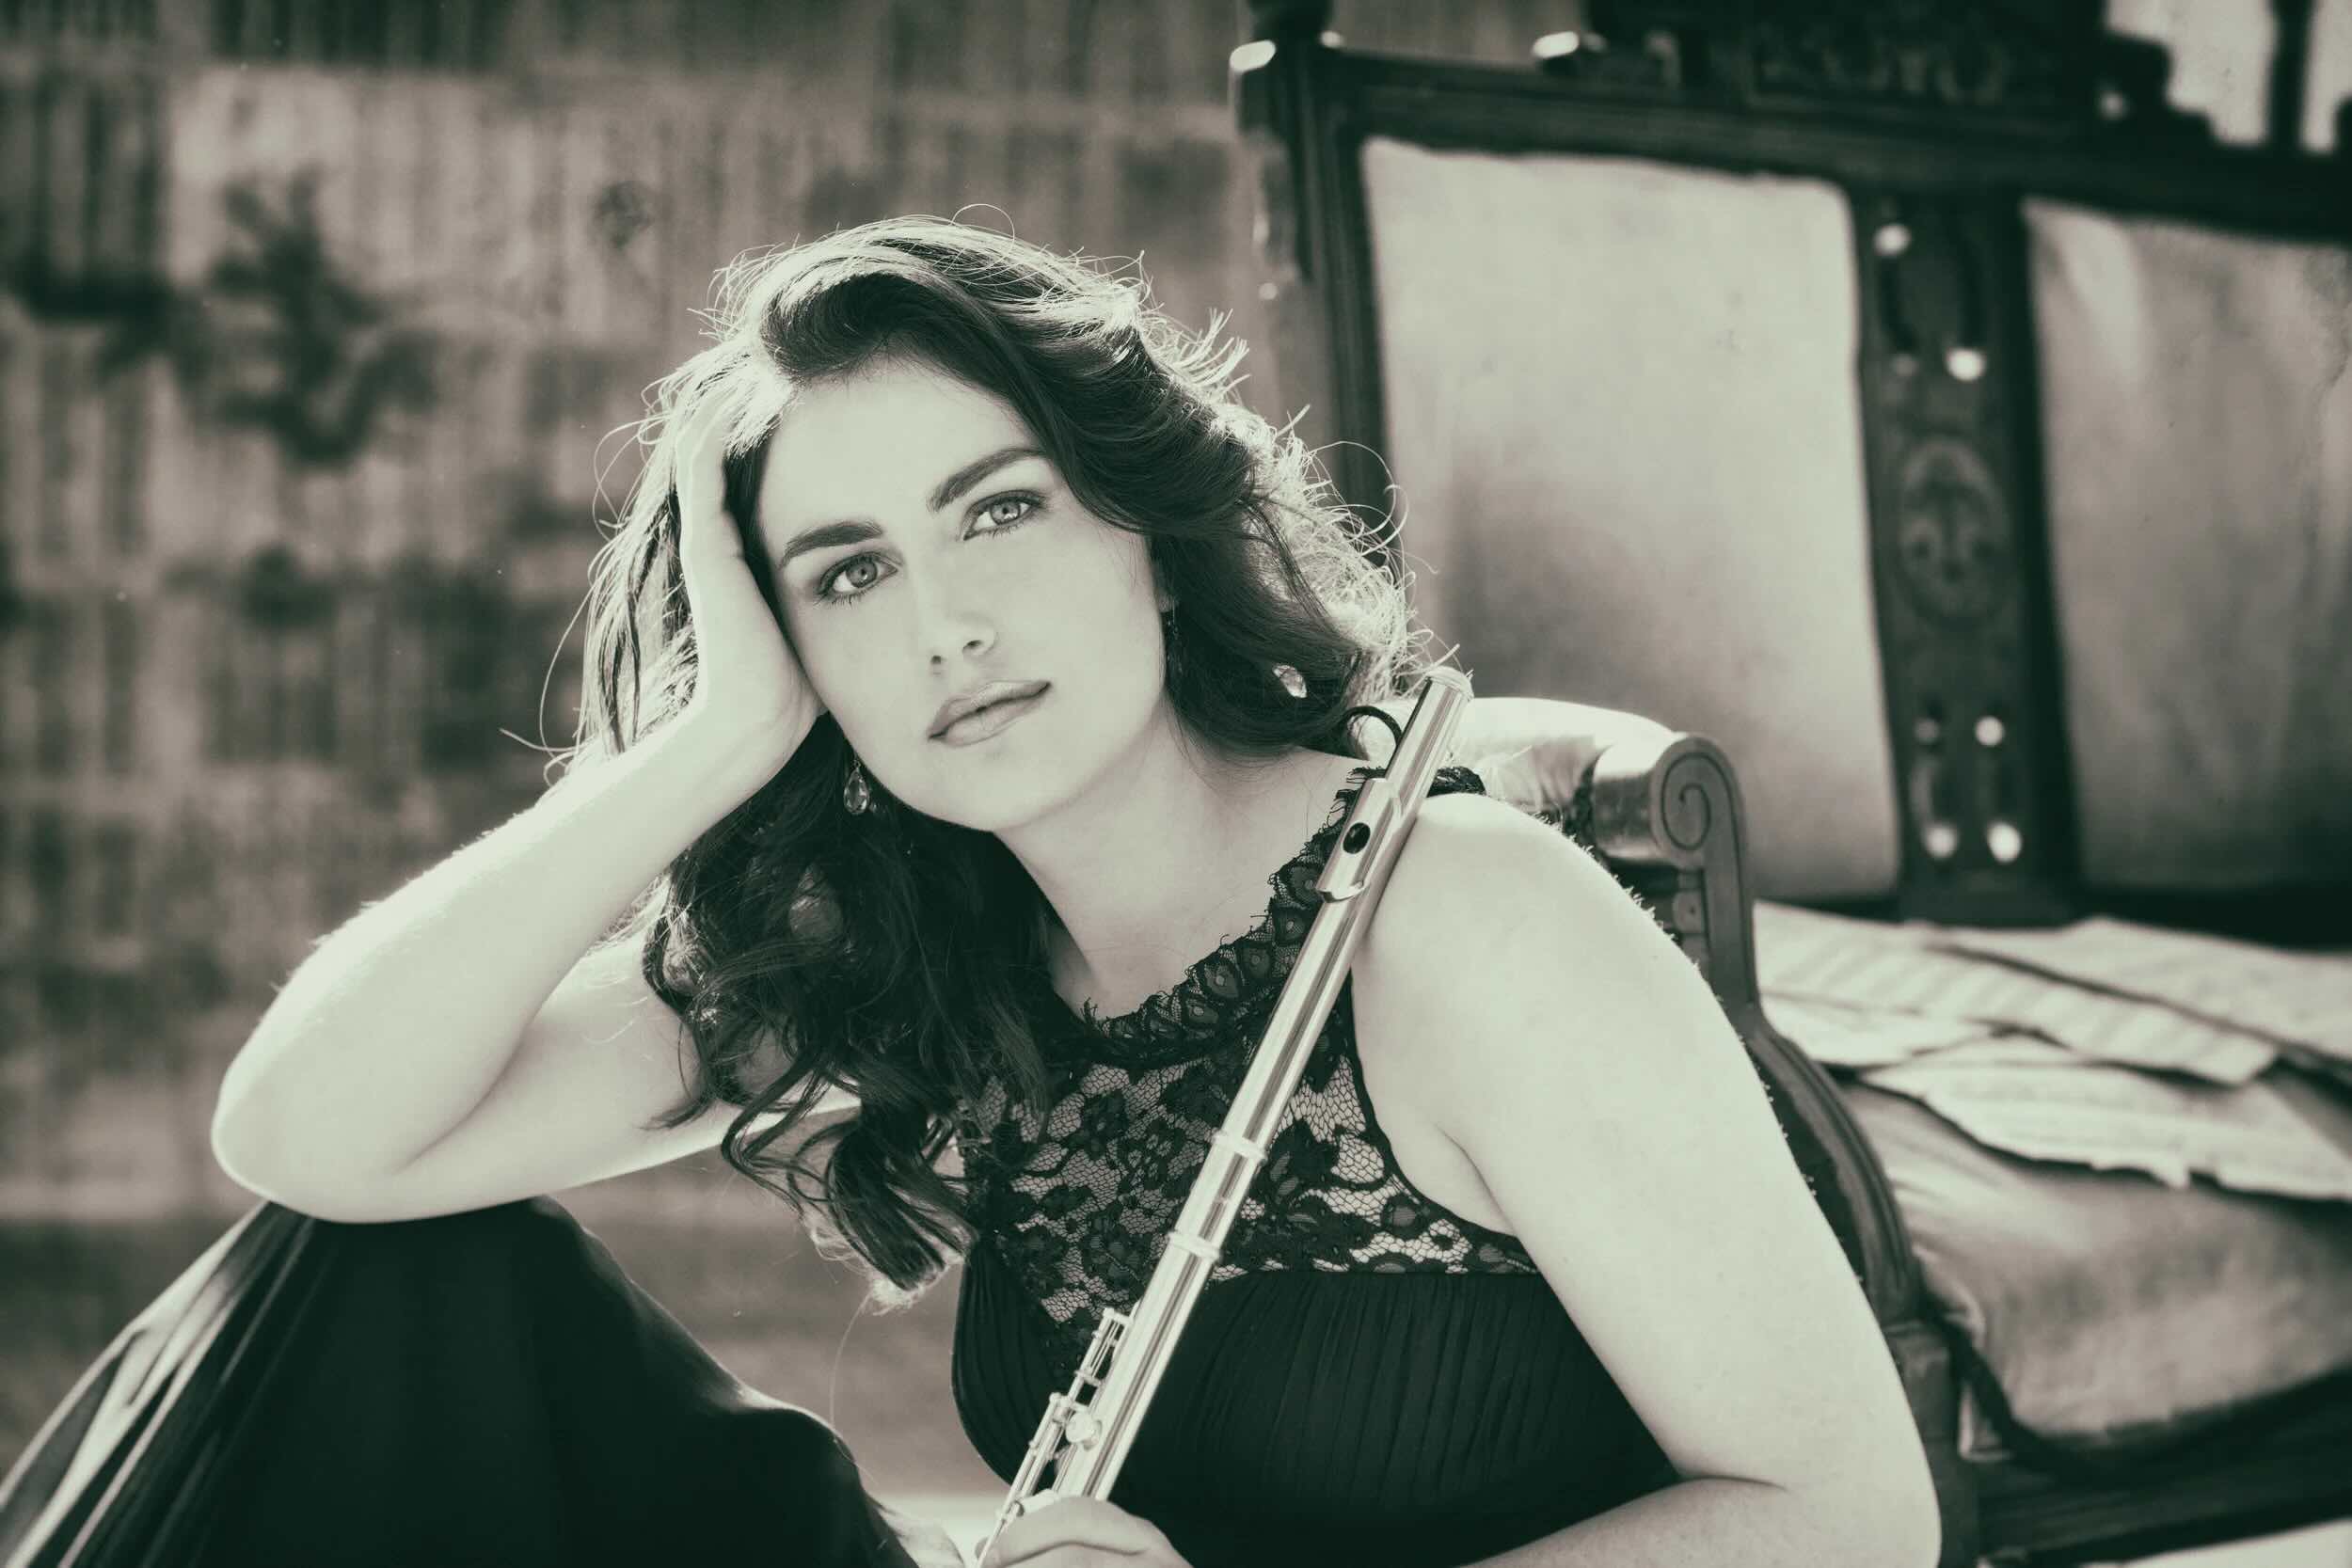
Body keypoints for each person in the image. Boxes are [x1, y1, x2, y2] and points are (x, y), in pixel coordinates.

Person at [54, 216, 1935, 1568]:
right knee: (383, 1283)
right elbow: (312, 1140)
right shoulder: (922, 939)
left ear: (1145, 530)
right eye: (848, 573)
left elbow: (1848, 1521)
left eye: (999, 509)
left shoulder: (1464, 923)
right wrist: (703, 748)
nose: (944, 625)